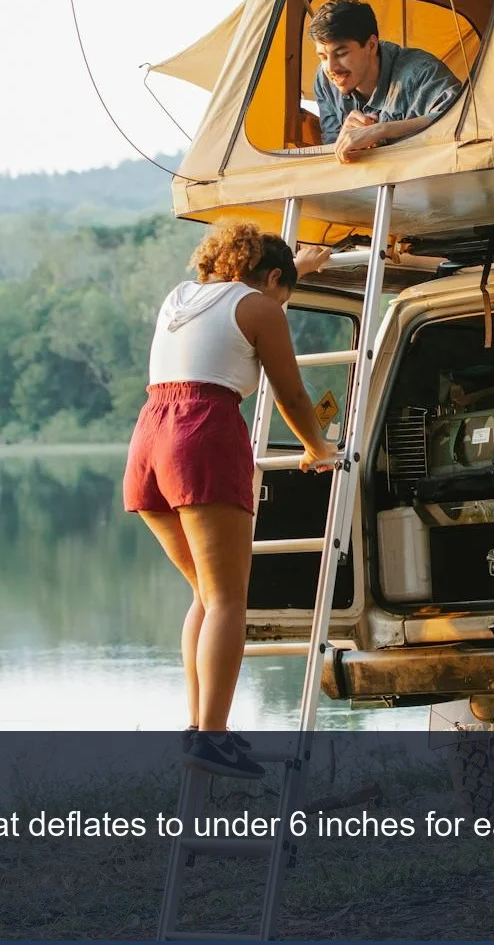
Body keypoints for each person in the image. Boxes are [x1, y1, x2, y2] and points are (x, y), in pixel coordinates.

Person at [124, 220, 337, 778]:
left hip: (149, 439)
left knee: (205, 594)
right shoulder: (261, 308)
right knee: (228, 601)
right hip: (201, 434)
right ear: (271, 280)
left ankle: (200, 727)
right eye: (284, 292)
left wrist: (300, 269)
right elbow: (290, 390)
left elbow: (236, 301)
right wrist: (319, 446)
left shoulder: (181, 296)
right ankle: (212, 736)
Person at [309, 0, 463, 163]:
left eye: (341, 54)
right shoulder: (324, 80)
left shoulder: (421, 72)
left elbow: (463, 119)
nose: (331, 67)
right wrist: (345, 141)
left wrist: (382, 130)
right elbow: (331, 151)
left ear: (371, 45)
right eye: (323, 57)